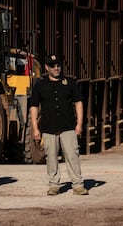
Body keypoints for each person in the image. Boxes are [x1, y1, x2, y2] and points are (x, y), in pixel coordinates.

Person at [30, 54, 88, 196]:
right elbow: (34, 106)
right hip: (48, 128)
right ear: (46, 68)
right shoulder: (40, 85)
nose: (56, 68)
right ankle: (54, 185)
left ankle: (78, 185)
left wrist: (79, 124)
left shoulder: (70, 83)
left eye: (58, 65)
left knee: (72, 156)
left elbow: (78, 102)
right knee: (51, 157)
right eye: (52, 66)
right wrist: (35, 128)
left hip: (67, 126)